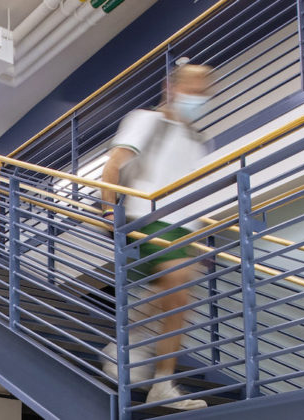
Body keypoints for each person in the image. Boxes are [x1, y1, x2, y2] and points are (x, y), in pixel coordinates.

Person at [98, 62, 212, 410]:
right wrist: (108, 210)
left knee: (175, 297)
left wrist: (202, 233)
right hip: (148, 213)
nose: (198, 96)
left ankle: (149, 365)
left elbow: (196, 190)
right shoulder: (146, 120)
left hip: (183, 226)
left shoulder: (197, 140)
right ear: (171, 88)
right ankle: (146, 364)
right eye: (192, 88)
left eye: (203, 90)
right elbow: (113, 165)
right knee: (177, 283)